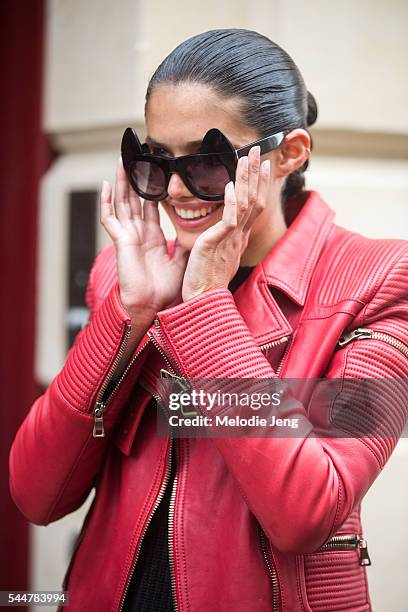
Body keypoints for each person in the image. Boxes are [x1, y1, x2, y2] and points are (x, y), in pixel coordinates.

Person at [9, 28, 408, 612]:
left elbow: (308, 511)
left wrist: (204, 311)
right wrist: (130, 315)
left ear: (290, 153)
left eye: (208, 162)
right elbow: (36, 495)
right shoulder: (127, 282)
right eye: (154, 160)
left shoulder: (381, 283)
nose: (173, 190)